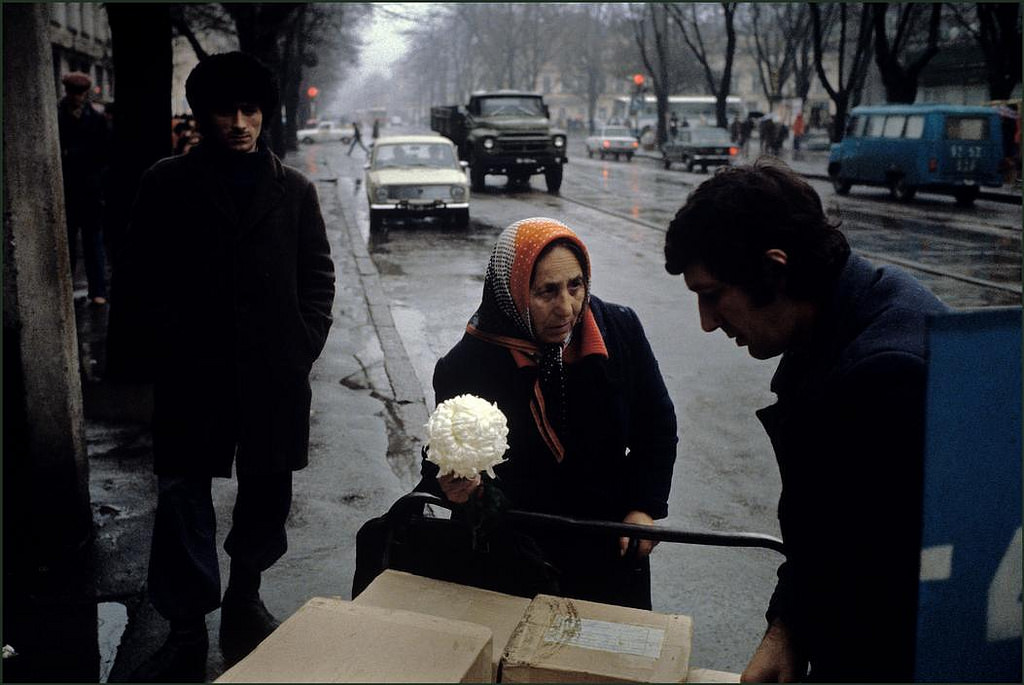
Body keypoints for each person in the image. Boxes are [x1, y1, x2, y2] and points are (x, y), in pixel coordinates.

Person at [663, 159, 949, 682]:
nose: (706, 323)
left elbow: (874, 594)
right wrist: (787, 630)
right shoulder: (838, 318)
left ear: (775, 269)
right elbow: (832, 532)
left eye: (712, 295)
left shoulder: (888, 375)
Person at [111, 52, 336, 681]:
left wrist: (301, 345)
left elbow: (316, 276)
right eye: (225, 111)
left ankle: (245, 598)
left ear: (264, 113)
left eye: (251, 110)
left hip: (272, 376)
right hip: (193, 376)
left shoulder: (293, 189)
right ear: (202, 116)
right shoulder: (166, 183)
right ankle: (186, 627)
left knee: (267, 489)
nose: (240, 123)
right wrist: (152, 359)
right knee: (184, 497)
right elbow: (135, 277)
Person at [415, 217, 678, 610]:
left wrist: (643, 506)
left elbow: (656, 425)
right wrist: (455, 488)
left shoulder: (619, 331)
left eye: (576, 286)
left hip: (607, 544)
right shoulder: (467, 364)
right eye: (546, 292)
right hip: (510, 553)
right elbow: (443, 463)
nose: (567, 308)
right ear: (514, 292)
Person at [58, 71, 110, 305]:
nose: (76, 97)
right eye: (73, 92)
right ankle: (63, 290)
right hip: (66, 190)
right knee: (65, 243)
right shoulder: (56, 116)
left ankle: (98, 290)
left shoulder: (96, 119)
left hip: (89, 190)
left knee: (93, 243)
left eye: (80, 92)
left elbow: (105, 153)